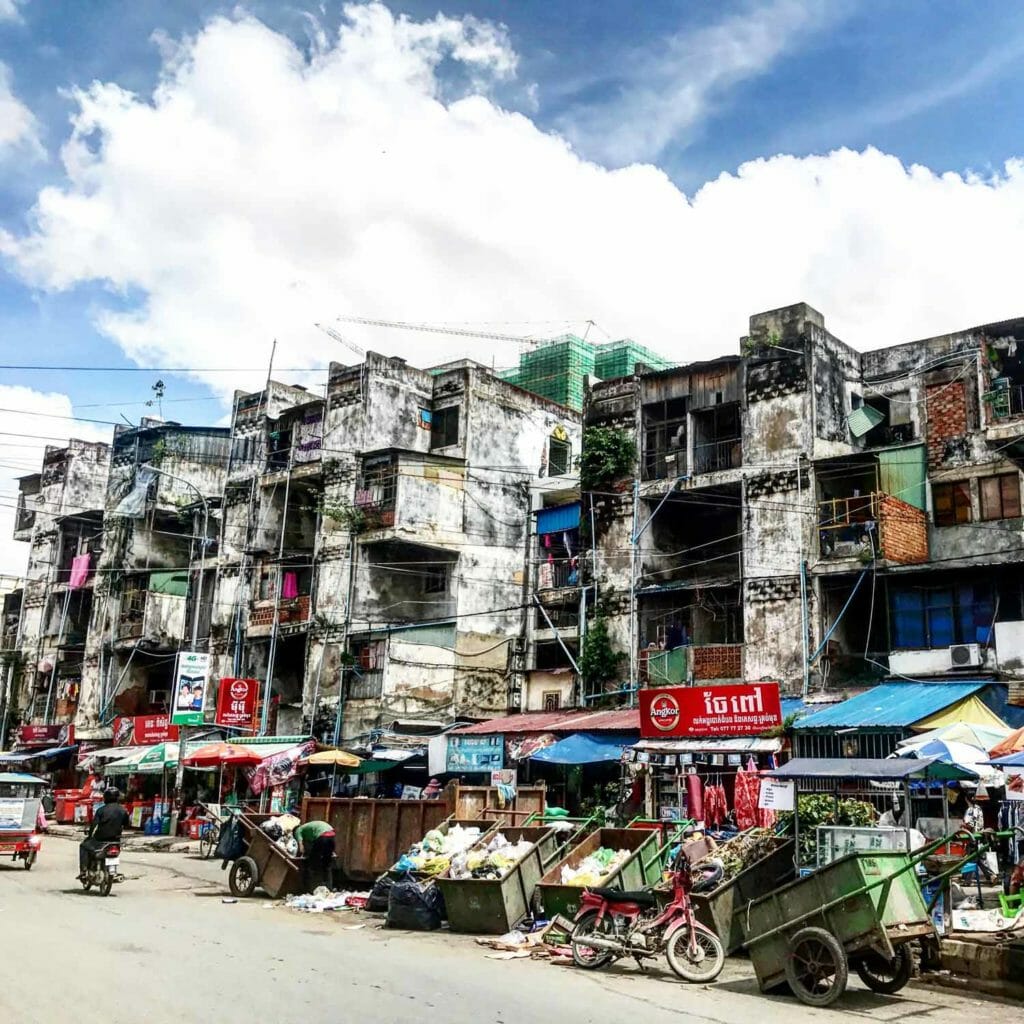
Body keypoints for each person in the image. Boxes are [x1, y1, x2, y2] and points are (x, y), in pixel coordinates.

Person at [79, 788, 130, 880]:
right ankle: (113, 872)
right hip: (116, 839)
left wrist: (90, 835)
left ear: (105, 798)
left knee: (83, 846)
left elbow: (94, 825)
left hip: (101, 839)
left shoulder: (101, 810)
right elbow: (127, 824)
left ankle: (83, 870)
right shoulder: (123, 810)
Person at [293, 818, 337, 892]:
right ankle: (329, 888)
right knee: (327, 864)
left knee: (313, 862)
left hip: (322, 836)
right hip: (331, 836)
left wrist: (303, 853)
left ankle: (313, 887)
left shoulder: (298, 830)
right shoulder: (308, 829)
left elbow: (301, 846)